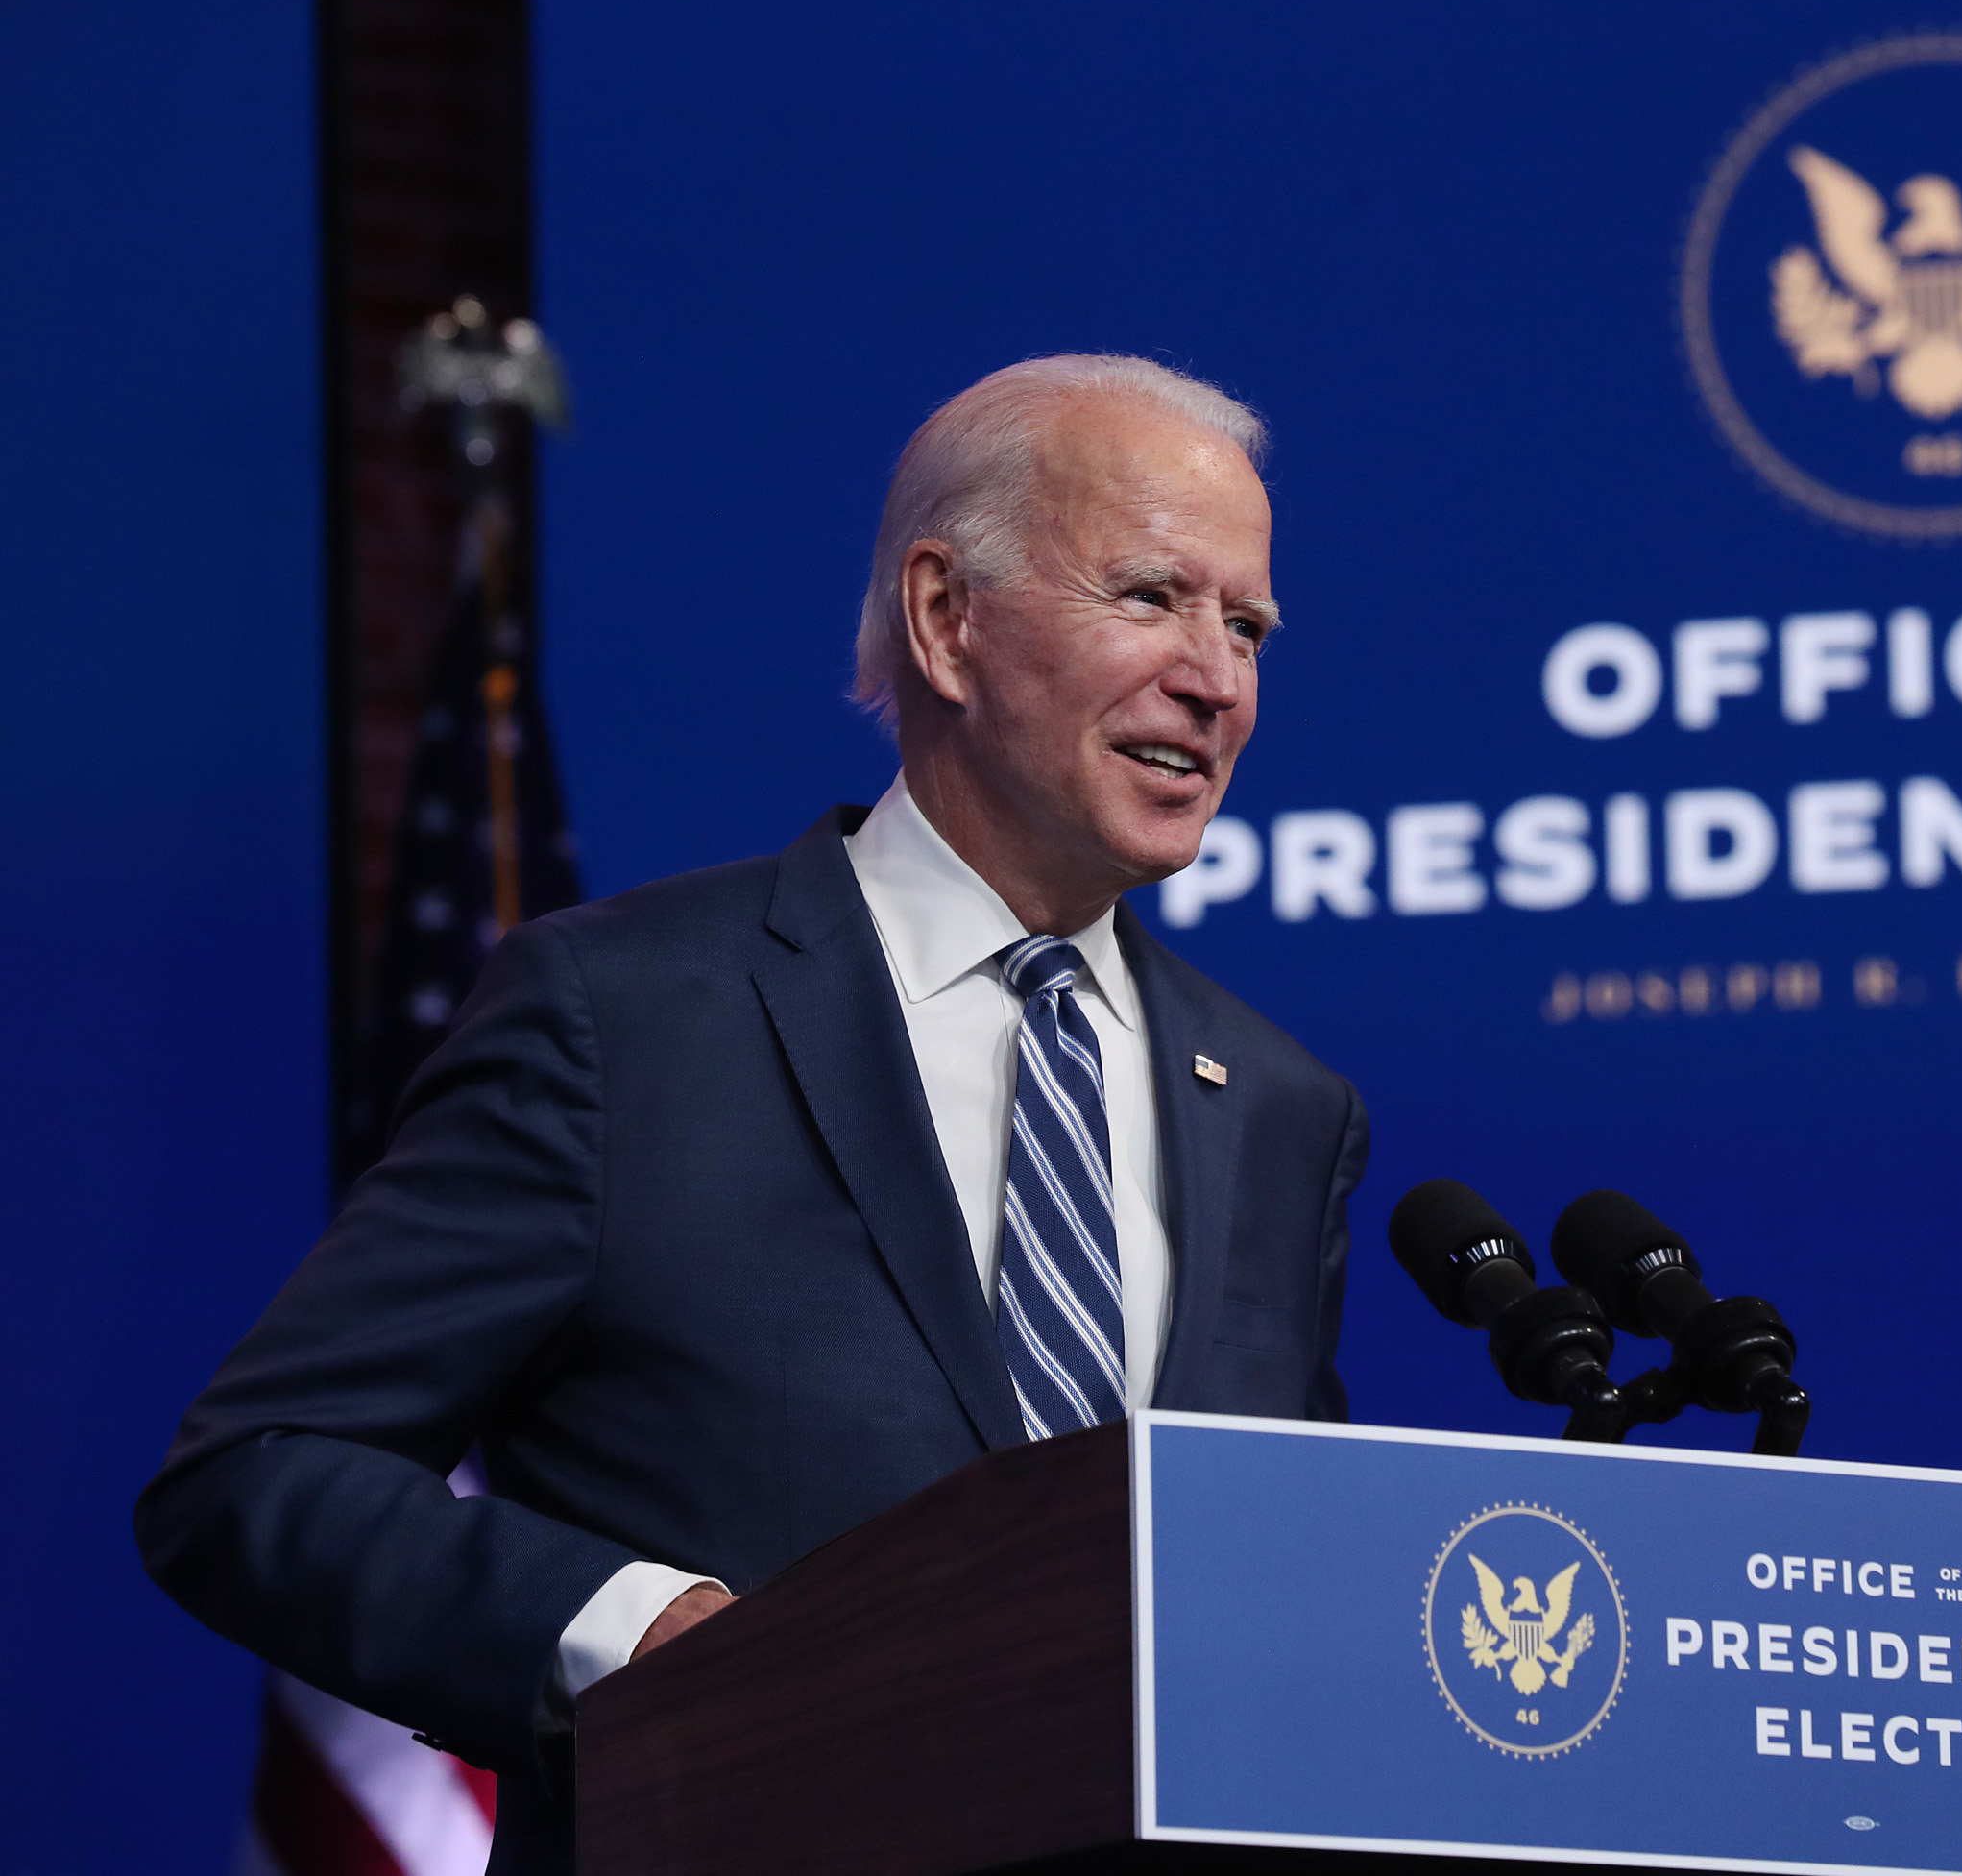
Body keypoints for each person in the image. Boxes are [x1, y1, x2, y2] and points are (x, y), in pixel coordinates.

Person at [136, 355, 1367, 1875]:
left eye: (1246, 625)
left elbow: (1293, 1597)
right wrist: (634, 1628)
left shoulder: (1285, 1108)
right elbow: (260, 1466)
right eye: (1151, 597)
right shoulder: (627, 1015)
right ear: (945, 619)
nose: (1218, 676)